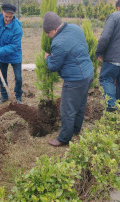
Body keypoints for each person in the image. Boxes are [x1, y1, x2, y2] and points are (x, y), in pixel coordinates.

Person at [43, 11, 94, 147]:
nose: (48, 36)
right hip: (88, 73)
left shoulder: (58, 42)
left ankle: (64, 138)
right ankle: (76, 129)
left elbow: (53, 66)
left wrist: (47, 58)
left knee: (67, 110)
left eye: (48, 33)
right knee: (80, 104)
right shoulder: (75, 28)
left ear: (55, 28)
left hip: (75, 79)